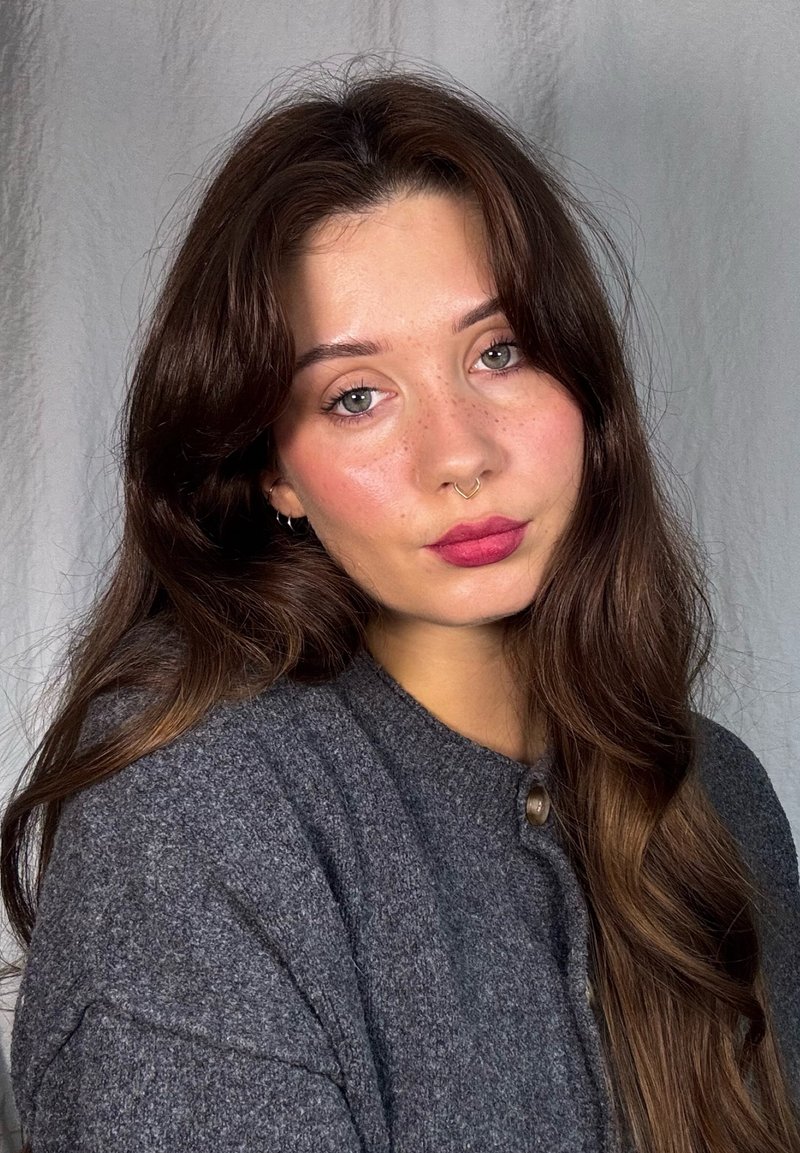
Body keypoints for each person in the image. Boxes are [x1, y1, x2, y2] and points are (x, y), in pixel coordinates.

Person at [1, 63, 798, 1153]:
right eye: (356, 396)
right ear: (271, 470)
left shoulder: (718, 798)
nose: (459, 455)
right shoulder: (195, 805)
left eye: (499, 350)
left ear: (581, 377)